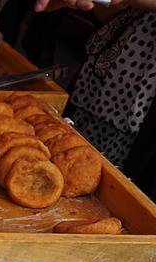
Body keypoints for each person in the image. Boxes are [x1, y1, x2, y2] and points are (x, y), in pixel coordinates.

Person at [33, 0, 156, 185]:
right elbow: (111, 14)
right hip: (102, 87)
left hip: (143, 120)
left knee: (121, 194)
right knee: (63, 160)